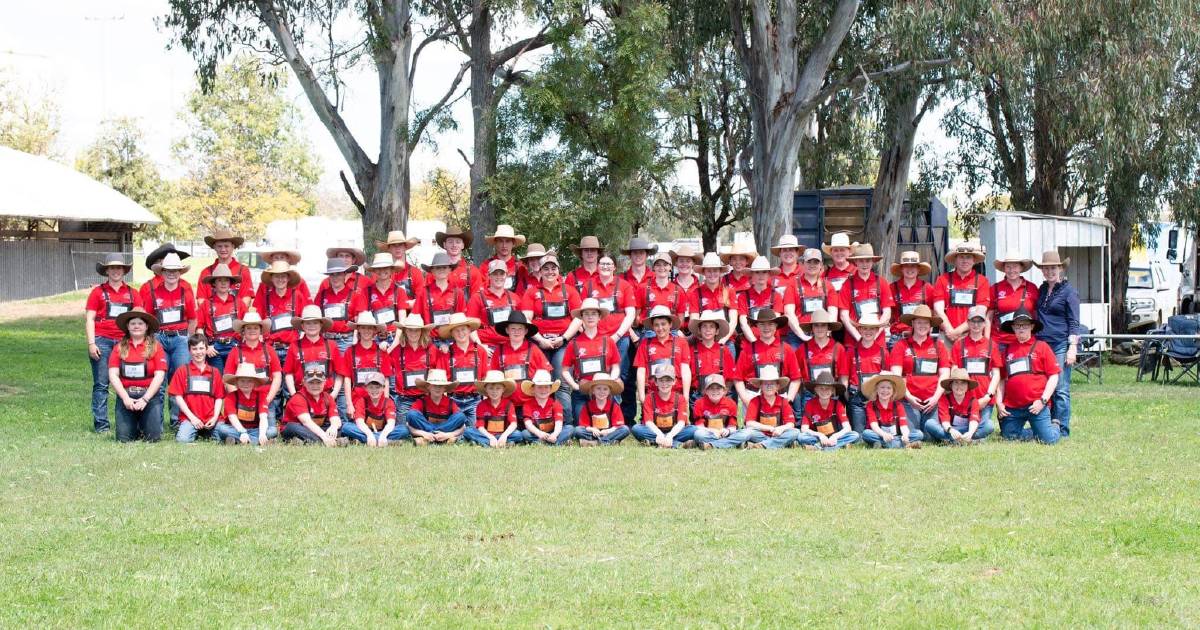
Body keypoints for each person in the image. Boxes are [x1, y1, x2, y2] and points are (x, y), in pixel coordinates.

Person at [86, 253, 143, 433]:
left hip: (125, 342)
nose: (116, 271)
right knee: (101, 384)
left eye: (119, 268)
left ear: (124, 271)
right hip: (102, 341)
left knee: (130, 381)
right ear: (107, 271)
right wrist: (91, 343)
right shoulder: (97, 292)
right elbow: (89, 319)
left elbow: (141, 320)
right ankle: (101, 425)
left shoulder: (133, 293)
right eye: (112, 268)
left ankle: (130, 422)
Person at [141, 252, 198, 431]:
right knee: (159, 380)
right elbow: (147, 319)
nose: (171, 274)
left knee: (179, 379)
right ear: (162, 272)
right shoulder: (153, 293)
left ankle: (176, 420)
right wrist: (151, 340)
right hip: (159, 338)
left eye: (175, 271)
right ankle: (156, 423)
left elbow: (193, 320)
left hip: (180, 338)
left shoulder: (186, 292)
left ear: (180, 273)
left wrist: (187, 339)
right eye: (167, 271)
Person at [521, 254, 582, 415]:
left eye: (553, 268)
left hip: (563, 343)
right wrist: (540, 339)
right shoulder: (531, 292)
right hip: (539, 343)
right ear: (540, 271)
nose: (550, 272)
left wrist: (564, 338)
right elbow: (527, 318)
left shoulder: (569, 291)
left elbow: (578, 318)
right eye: (546, 268)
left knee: (561, 382)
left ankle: (566, 422)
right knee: (539, 383)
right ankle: (539, 420)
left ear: (559, 270)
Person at [1034, 250, 1081, 437]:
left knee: (1061, 388)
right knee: (1048, 387)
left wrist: (1073, 347)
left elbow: (1074, 322)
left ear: (1060, 268)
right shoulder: (1042, 289)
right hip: (1042, 344)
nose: (1049, 272)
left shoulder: (1070, 292)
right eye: (1046, 268)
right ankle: (1051, 424)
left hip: (1060, 344)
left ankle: (1063, 429)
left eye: (1053, 268)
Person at [997, 308, 1061, 444]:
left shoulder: (1042, 347)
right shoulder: (1007, 350)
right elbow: (1002, 379)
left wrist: (1042, 401)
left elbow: (1054, 376)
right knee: (1008, 438)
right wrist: (999, 402)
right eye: (1018, 325)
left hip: (1036, 404)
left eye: (1025, 325)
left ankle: (1055, 427)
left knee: (1048, 441)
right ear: (1013, 327)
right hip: (1013, 407)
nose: (1021, 329)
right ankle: (1035, 432)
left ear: (1031, 327)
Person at [108, 308, 167, 442]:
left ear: (146, 327)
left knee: (153, 439)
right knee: (124, 439)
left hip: (149, 397)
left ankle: (143, 425)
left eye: (140, 323)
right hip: (127, 396)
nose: (136, 326)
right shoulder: (118, 348)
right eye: (133, 323)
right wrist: (125, 398)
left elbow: (159, 376)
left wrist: (145, 399)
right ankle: (134, 426)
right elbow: (113, 375)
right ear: (128, 327)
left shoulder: (156, 347)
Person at [888, 304, 949, 432]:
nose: (922, 326)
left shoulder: (939, 346)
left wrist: (935, 398)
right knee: (913, 434)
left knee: (930, 435)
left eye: (926, 323)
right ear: (913, 324)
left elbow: (945, 375)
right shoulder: (901, 346)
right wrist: (909, 397)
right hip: (909, 401)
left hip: (932, 401)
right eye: (919, 322)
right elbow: (896, 376)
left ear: (931, 325)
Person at [561, 298, 621, 423]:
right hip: (582, 392)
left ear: (599, 317)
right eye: (586, 314)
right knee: (581, 426)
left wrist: (611, 381)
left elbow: (616, 366)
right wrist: (575, 386)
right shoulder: (574, 344)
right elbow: (565, 370)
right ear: (581, 317)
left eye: (594, 314)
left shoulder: (608, 340)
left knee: (610, 425)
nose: (590, 317)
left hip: (605, 391)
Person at [283, 305, 347, 421]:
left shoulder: (331, 346)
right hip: (302, 396)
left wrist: (333, 395)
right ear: (302, 326)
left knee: (339, 425)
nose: (311, 326)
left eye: (315, 323)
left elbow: (340, 373)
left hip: (325, 396)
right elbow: (288, 373)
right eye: (308, 323)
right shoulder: (295, 346)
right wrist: (294, 395)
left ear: (321, 325)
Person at [224, 311, 283, 429]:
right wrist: (237, 398)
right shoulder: (235, 352)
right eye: (248, 328)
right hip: (241, 402)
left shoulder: (270, 350)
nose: (252, 331)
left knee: (270, 431)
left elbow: (277, 376)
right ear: (243, 331)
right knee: (236, 427)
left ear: (261, 330)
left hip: (264, 400)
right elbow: (228, 378)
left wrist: (268, 399)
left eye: (255, 327)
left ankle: (246, 436)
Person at [733, 308, 801, 407]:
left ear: (776, 326)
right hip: (753, 396)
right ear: (756, 326)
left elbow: (796, 378)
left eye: (770, 324)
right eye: (762, 324)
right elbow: (738, 379)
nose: (766, 328)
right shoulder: (747, 350)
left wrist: (788, 400)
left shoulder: (787, 349)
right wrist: (746, 400)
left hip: (780, 397)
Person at [949, 305, 1003, 428]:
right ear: (968, 323)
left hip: (984, 399)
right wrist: (959, 395)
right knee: (965, 428)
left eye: (980, 321)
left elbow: (996, 374)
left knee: (985, 428)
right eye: (973, 321)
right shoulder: (958, 345)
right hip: (964, 399)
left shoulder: (991, 345)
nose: (976, 325)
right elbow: (954, 370)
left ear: (985, 324)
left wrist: (988, 396)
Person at [490, 312, 552, 417]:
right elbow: (493, 377)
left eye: (520, 329)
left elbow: (546, 374)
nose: (516, 332)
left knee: (527, 433)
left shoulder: (534, 349)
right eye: (513, 328)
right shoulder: (499, 351)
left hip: (530, 403)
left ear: (526, 331)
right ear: (507, 330)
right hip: (506, 405)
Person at [254, 260, 308, 375]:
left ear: (288, 278)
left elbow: (305, 319)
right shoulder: (266, 298)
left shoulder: (297, 296)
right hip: (271, 348)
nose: (280, 280)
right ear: (271, 279)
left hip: (291, 347)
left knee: (290, 383)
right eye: (276, 276)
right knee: (274, 382)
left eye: (283, 276)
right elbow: (259, 320)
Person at [634, 305, 694, 409]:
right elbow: (641, 371)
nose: (660, 328)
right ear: (652, 326)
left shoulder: (681, 343)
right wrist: (642, 396)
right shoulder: (645, 344)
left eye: (663, 324)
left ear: (670, 324)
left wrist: (685, 396)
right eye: (656, 325)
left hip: (676, 394)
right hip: (652, 395)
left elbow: (685, 371)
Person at [933, 242, 991, 345]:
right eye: (961, 257)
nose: (965, 261)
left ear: (974, 261)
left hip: (973, 336)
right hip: (946, 335)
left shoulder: (982, 281)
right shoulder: (942, 280)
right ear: (955, 260)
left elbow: (980, 311)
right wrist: (950, 331)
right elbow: (938, 310)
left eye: (968, 257)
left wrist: (957, 332)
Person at [171, 334, 225, 443]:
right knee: (182, 440)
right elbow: (178, 397)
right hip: (190, 419)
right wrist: (192, 418)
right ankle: (196, 431)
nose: (198, 352)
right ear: (189, 351)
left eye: (201, 348)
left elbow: (219, 398)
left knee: (224, 434)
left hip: (211, 418)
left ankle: (209, 432)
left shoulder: (215, 372)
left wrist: (215, 418)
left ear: (206, 349)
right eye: (194, 349)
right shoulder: (182, 370)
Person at [353, 252, 411, 353]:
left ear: (392, 270)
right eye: (378, 268)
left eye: (386, 268)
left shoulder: (400, 291)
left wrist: (393, 345)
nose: (382, 271)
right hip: (372, 338)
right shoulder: (366, 292)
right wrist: (358, 339)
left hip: (395, 337)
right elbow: (361, 319)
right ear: (374, 270)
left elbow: (402, 321)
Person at [389, 314, 445, 416]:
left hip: (427, 399)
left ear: (422, 331)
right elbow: (385, 370)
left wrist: (444, 346)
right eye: (410, 330)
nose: (413, 333)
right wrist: (383, 348)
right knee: (402, 430)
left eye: (417, 330)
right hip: (404, 400)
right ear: (405, 331)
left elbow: (441, 374)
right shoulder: (397, 351)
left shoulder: (431, 349)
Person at [438, 312, 488, 426]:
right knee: (453, 427)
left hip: (475, 399)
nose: (461, 333)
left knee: (476, 430)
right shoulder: (446, 353)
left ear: (469, 330)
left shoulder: (480, 351)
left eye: (463, 329)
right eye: (457, 330)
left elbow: (486, 378)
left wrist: (485, 401)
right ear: (452, 333)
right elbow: (441, 381)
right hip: (453, 400)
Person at [839, 244, 895, 344]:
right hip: (854, 341)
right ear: (855, 262)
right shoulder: (847, 284)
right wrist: (859, 338)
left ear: (873, 262)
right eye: (861, 261)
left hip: (877, 341)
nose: (864, 264)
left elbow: (887, 313)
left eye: (868, 260)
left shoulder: (882, 282)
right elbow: (844, 315)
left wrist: (874, 336)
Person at [343, 312, 393, 422]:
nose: (366, 331)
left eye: (370, 328)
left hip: (377, 401)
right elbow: (347, 379)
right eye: (363, 327)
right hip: (357, 399)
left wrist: (386, 402)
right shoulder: (349, 352)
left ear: (375, 331)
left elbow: (386, 380)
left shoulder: (382, 353)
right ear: (358, 329)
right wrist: (349, 404)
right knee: (348, 427)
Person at [197, 263, 247, 373]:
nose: (223, 283)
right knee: (217, 379)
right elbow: (200, 328)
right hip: (214, 347)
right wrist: (206, 346)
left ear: (231, 283)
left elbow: (247, 326)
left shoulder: (239, 303)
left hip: (234, 345)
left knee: (234, 379)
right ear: (214, 283)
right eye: (219, 280)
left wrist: (243, 345)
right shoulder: (206, 304)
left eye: (226, 280)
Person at [784, 248, 841, 345]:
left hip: (822, 335)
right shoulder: (792, 284)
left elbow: (832, 314)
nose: (812, 265)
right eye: (809, 262)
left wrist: (824, 335)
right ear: (802, 264)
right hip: (798, 336)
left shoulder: (828, 286)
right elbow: (788, 313)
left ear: (821, 265)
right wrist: (802, 336)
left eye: (816, 262)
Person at [795, 310, 847, 413]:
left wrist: (842, 397)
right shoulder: (802, 349)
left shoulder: (838, 348)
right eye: (816, 326)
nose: (820, 329)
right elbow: (796, 376)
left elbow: (843, 377)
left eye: (823, 325)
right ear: (812, 328)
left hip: (831, 394)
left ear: (828, 328)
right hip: (809, 395)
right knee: (808, 426)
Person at [466, 259, 524, 352]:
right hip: (487, 347)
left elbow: (522, 325)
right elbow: (470, 326)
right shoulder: (477, 298)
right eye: (495, 274)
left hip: (510, 346)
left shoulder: (515, 298)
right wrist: (480, 346)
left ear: (506, 275)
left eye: (501, 274)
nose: (498, 277)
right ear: (489, 276)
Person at [925, 367, 994, 445]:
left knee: (989, 425)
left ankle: (951, 441)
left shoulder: (973, 400)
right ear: (951, 385)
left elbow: (973, 420)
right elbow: (945, 420)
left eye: (963, 383)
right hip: (950, 430)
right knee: (929, 423)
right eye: (956, 382)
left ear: (967, 386)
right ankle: (971, 441)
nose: (959, 386)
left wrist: (970, 433)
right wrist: (951, 430)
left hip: (967, 429)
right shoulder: (944, 399)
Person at [844, 314, 888, 433]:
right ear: (859, 329)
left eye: (872, 328)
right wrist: (846, 396)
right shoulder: (851, 352)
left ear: (877, 330)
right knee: (858, 434)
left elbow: (887, 377)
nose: (868, 331)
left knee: (880, 431)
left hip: (877, 399)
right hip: (857, 398)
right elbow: (844, 377)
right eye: (865, 328)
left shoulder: (883, 352)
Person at [990, 250, 1039, 355]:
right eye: (1008, 266)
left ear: (1021, 268)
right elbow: (988, 317)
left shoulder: (1032, 288)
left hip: (1024, 341)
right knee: (998, 371)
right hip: (1000, 341)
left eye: (1015, 266)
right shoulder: (995, 288)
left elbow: (1036, 316)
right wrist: (986, 341)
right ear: (1004, 268)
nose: (1011, 270)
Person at [416, 252, 469, 346]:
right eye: (437, 267)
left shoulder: (458, 292)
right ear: (432, 271)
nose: (441, 270)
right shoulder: (423, 292)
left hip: (453, 339)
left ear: (450, 269)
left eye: (444, 267)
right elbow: (416, 316)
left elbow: (461, 319)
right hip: (430, 341)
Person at [632, 364, 692, 448]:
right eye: (661, 380)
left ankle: (655, 442)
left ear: (674, 381)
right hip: (655, 432)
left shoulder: (680, 398)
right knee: (636, 429)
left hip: (673, 432)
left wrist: (670, 435)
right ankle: (677, 444)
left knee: (692, 430)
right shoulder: (649, 398)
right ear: (656, 382)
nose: (664, 384)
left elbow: (681, 423)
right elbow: (649, 422)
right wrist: (660, 434)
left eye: (668, 380)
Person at [796, 372, 860, 451]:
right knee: (801, 437)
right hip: (818, 437)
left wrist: (835, 436)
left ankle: (818, 447)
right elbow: (804, 429)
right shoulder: (810, 404)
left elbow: (847, 428)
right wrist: (820, 435)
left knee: (855, 435)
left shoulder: (838, 404)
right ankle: (837, 446)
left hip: (834, 436)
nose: (824, 391)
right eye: (821, 388)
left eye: (828, 388)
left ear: (833, 391)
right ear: (816, 390)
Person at [280, 369, 342, 446]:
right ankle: (325, 442)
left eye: (319, 383)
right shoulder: (298, 398)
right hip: (299, 427)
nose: (315, 386)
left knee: (339, 428)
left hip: (316, 428)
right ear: (304, 383)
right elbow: (306, 422)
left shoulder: (328, 397)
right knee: (293, 427)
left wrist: (333, 427)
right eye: (311, 382)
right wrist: (324, 437)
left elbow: (336, 418)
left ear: (324, 383)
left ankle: (305, 441)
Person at [343, 372, 409, 446]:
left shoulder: (388, 402)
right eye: (371, 387)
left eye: (377, 387)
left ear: (383, 388)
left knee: (403, 430)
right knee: (346, 427)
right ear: (366, 388)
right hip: (365, 431)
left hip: (383, 432)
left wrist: (383, 436)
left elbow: (391, 423)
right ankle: (387, 441)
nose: (374, 390)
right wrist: (369, 435)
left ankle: (367, 440)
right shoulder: (362, 401)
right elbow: (359, 422)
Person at [217, 362, 275, 445]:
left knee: (273, 431)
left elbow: (263, 417)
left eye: (249, 381)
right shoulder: (230, 396)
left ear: (254, 382)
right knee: (221, 428)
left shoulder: (261, 395)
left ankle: (238, 441)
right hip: (236, 428)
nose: (246, 384)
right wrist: (242, 432)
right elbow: (232, 417)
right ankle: (257, 441)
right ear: (236, 382)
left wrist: (262, 434)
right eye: (242, 381)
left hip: (255, 429)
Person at [742, 365, 799, 449]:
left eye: (772, 383)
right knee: (747, 432)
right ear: (760, 386)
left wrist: (781, 429)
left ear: (777, 386)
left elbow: (791, 423)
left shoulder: (783, 401)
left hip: (778, 434)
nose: (769, 386)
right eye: (765, 383)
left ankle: (762, 445)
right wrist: (770, 428)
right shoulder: (755, 401)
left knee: (795, 432)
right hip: (760, 434)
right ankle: (779, 443)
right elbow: (749, 423)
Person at [860, 371, 922, 448]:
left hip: (896, 435)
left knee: (919, 434)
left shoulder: (898, 405)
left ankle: (883, 444)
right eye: (882, 387)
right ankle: (904, 445)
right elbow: (874, 425)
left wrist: (905, 435)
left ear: (893, 391)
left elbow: (903, 425)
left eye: (889, 388)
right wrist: (884, 434)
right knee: (866, 434)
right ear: (876, 389)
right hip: (880, 434)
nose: (885, 391)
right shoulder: (871, 405)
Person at [686, 311, 736, 405]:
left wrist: (723, 394)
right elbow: (687, 377)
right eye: (704, 326)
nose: (708, 330)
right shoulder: (692, 350)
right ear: (699, 330)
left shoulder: (723, 350)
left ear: (717, 331)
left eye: (711, 326)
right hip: (698, 397)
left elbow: (730, 378)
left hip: (720, 396)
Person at [407, 369, 468, 445]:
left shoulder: (450, 402)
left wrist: (447, 435)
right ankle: (440, 440)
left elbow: (463, 426)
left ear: (445, 388)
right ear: (428, 387)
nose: (437, 388)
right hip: (427, 432)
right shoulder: (422, 402)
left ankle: (431, 440)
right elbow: (408, 423)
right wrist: (423, 433)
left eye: (440, 386)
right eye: (434, 385)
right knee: (412, 414)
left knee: (460, 416)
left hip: (443, 433)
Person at [691, 253, 737, 353]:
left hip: (726, 342)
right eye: (709, 270)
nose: (712, 274)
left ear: (720, 271)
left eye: (715, 270)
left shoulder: (729, 291)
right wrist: (705, 340)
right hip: (703, 342)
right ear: (703, 272)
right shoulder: (696, 293)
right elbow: (694, 320)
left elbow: (733, 321)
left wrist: (724, 340)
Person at [464, 371, 524, 448]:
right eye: (491, 388)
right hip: (486, 434)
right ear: (486, 389)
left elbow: (513, 424)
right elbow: (480, 427)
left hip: (502, 433)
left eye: (498, 388)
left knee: (518, 434)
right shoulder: (481, 405)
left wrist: (504, 436)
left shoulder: (509, 404)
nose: (494, 391)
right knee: (467, 431)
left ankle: (485, 443)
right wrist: (491, 437)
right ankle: (499, 443)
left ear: (503, 389)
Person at [737, 256, 789, 343]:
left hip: (772, 342)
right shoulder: (743, 296)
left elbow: (775, 321)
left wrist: (766, 342)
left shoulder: (776, 295)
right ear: (752, 275)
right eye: (757, 272)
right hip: (750, 342)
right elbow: (743, 323)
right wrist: (754, 342)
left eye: (764, 272)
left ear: (769, 274)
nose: (761, 275)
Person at [196, 228, 254, 307]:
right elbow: (201, 299)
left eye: (226, 246)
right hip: (212, 317)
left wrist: (233, 313)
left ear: (233, 247)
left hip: (237, 316)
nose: (223, 249)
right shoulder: (206, 272)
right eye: (219, 246)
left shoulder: (243, 270)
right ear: (214, 247)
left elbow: (246, 298)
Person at [312, 257, 359, 353]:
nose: (335, 277)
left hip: (346, 341)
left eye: (339, 274)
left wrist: (355, 339)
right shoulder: (321, 295)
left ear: (345, 274)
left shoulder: (354, 295)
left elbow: (358, 321)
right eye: (332, 275)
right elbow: (315, 318)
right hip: (326, 340)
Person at [888, 250, 934, 346]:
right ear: (901, 268)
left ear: (918, 269)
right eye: (906, 265)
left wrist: (928, 331)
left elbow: (933, 313)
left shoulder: (927, 288)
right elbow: (887, 314)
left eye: (913, 266)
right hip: (898, 336)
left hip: (921, 335)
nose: (910, 269)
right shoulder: (892, 288)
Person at [690, 374, 746, 450]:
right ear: (706, 391)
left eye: (718, 388)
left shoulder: (731, 403)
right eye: (711, 388)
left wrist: (728, 430)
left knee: (743, 434)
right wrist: (713, 431)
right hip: (708, 433)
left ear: (724, 391)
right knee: (698, 434)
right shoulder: (699, 403)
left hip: (725, 433)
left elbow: (732, 426)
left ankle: (712, 445)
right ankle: (730, 443)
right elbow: (700, 427)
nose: (715, 391)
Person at [638, 252, 687, 336]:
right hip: (649, 331)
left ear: (670, 267)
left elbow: (680, 319)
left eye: (665, 265)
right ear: (653, 267)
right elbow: (637, 315)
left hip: (671, 331)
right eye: (658, 265)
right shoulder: (643, 288)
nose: (662, 268)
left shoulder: (678, 291)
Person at [573, 374, 631, 446]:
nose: (602, 392)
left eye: (605, 389)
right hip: (594, 433)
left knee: (625, 429)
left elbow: (618, 426)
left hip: (608, 432)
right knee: (577, 430)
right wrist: (592, 429)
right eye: (598, 388)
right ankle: (609, 441)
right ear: (593, 390)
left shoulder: (614, 406)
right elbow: (585, 425)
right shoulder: (587, 406)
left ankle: (597, 442)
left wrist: (608, 431)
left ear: (609, 391)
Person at [518, 369, 572, 446]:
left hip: (553, 432)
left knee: (569, 428)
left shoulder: (555, 403)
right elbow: (528, 424)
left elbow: (559, 422)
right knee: (525, 433)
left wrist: (554, 434)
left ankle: (544, 443)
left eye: (546, 387)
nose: (543, 390)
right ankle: (556, 443)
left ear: (550, 389)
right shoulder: (528, 404)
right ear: (533, 389)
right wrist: (539, 433)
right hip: (538, 433)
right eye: (539, 387)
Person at [479, 224, 528, 293]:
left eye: (507, 241)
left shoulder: (520, 267)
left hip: (515, 303)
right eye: (500, 241)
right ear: (495, 243)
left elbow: (523, 293)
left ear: (513, 243)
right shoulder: (486, 266)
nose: (504, 245)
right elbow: (482, 292)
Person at [375, 230, 425, 298]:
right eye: (394, 245)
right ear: (389, 248)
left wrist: (403, 305)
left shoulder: (415, 273)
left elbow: (421, 300)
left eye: (400, 244)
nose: (397, 248)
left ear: (405, 247)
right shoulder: (379, 273)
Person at [436, 226, 484, 293]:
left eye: (458, 242)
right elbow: (426, 297)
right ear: (444, 245)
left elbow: (477, 300)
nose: (454, 245)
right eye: (450, 242)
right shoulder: (435, 271)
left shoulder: (473, 272)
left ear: (463, 245)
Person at [670, 244, 702, 315]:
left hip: (696, 325)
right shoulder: (670, 287)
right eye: (681, 261)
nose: (684, 264)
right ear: (676, 263)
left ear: (693, 263)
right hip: (675, 325)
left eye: (688, 261)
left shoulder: (701, 287)